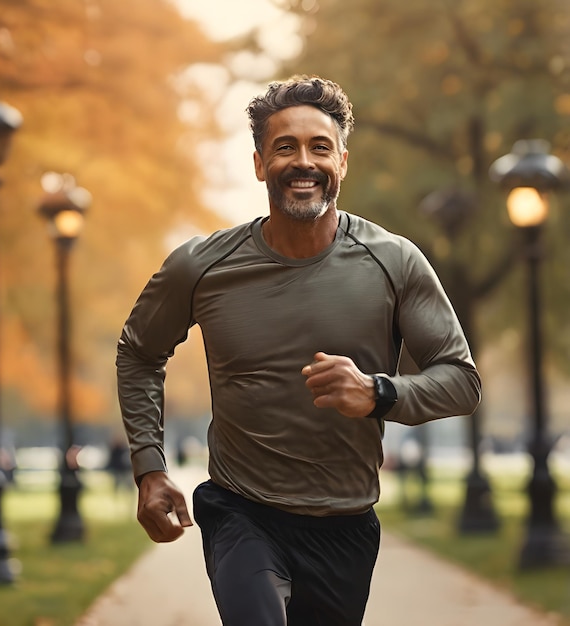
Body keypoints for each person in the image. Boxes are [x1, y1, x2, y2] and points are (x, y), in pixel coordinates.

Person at [116, 75, 481, 626]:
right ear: (260, 163)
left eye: (319, 147)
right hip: (240, 509)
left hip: (345, 523)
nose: (303, 161)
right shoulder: (201, 265)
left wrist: (377, 393)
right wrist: (150, 468)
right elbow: (139, 353)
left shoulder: (394, 261)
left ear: (342, 162)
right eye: (285, 147)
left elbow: (461, 380)